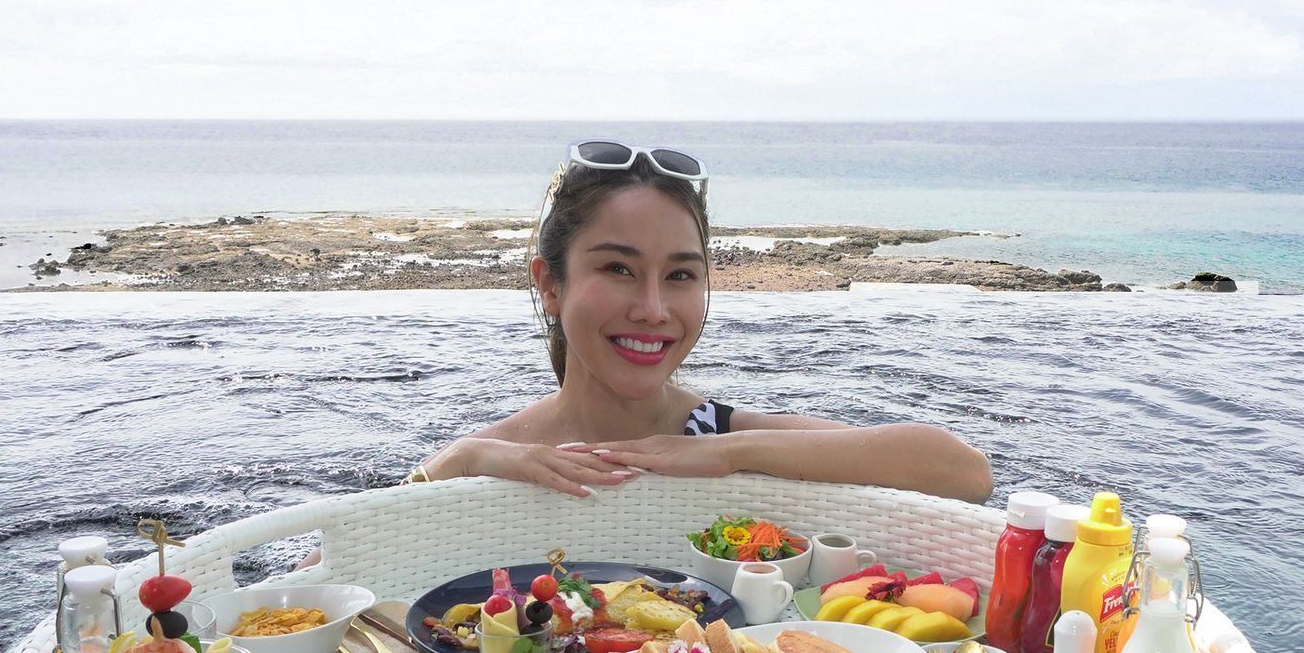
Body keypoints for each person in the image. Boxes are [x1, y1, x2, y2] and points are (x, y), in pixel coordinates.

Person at [414, 142, 993, 504]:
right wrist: (456, 460)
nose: (653, 309)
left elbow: (963, 472)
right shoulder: (493, 457)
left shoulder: (718, 435)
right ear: (549, 284)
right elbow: (328, 581)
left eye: (680, 276)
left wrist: (731, 453)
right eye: (618, 268)